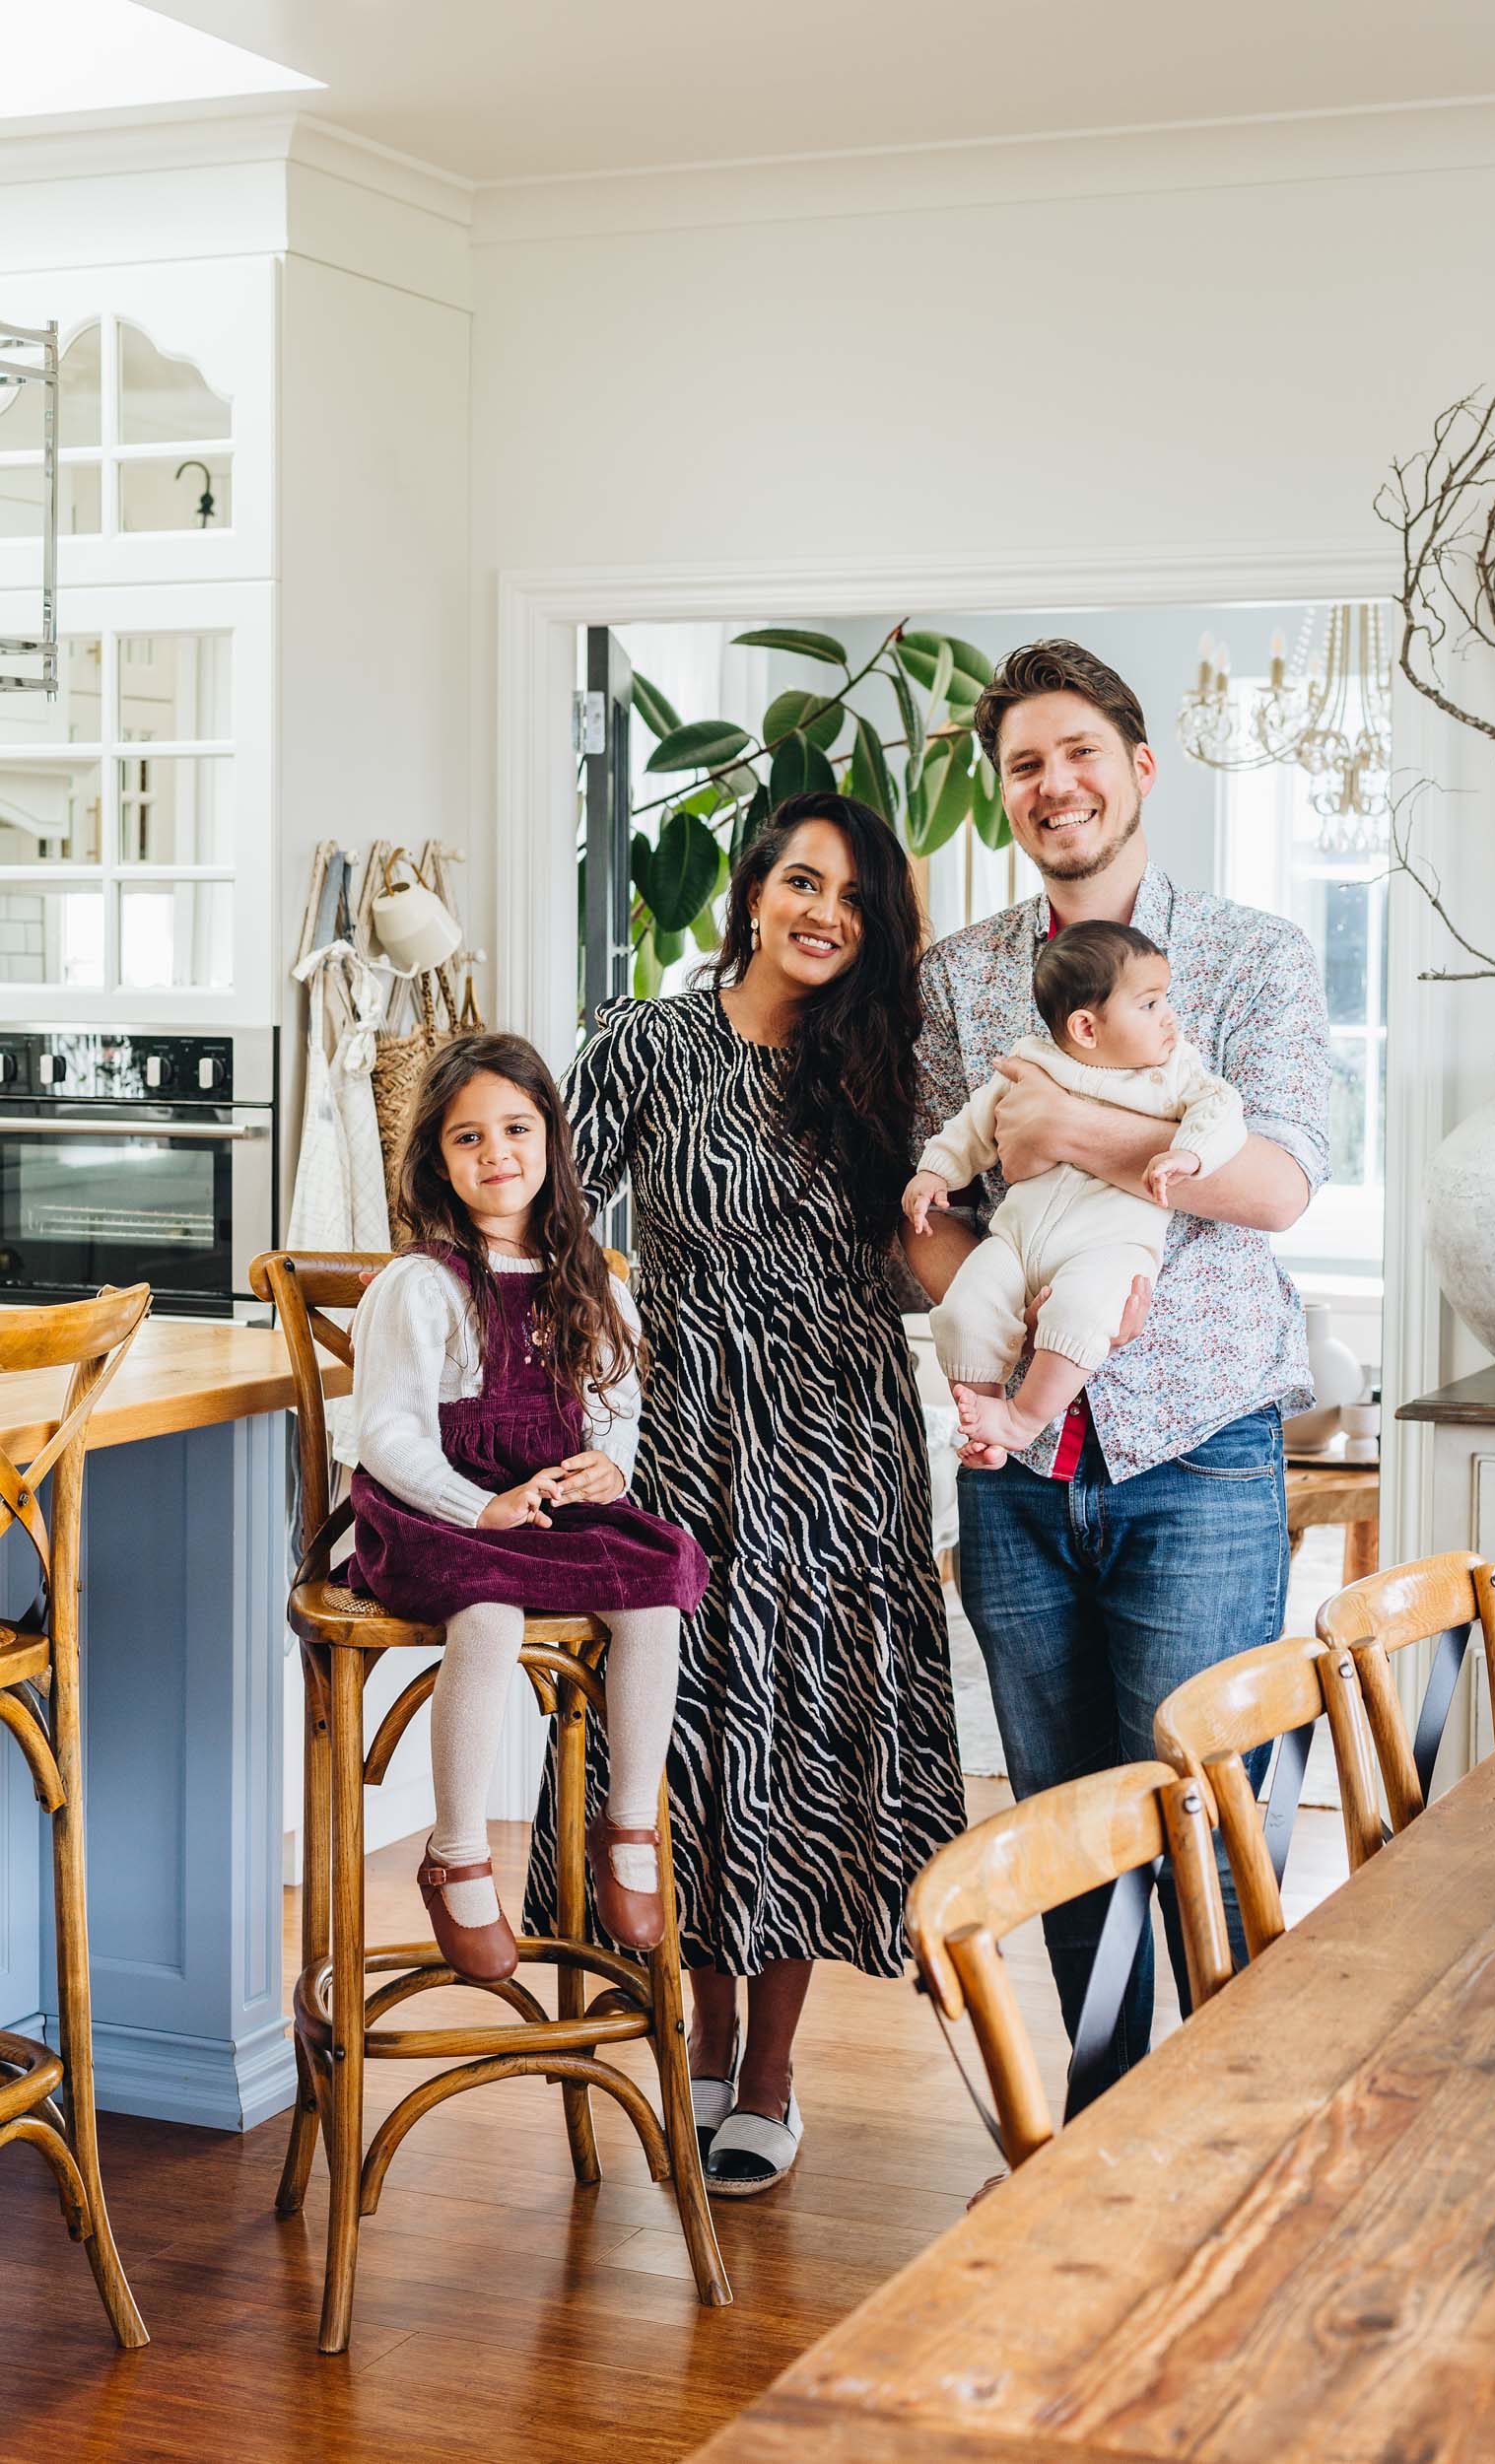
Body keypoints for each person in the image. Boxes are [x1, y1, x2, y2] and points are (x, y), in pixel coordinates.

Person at [524, 790, 966, 2197]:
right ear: (753, 891)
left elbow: (935, 1262)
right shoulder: (646, 1041)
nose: (821, 911)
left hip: (842, 1440)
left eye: (850, 893)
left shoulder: (890, 1063)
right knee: (694, 1736)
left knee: (804, 1734)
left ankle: (765, 2068)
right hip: (687, 1432)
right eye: (798, 880)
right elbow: (542, 1219)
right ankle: (698, 2033)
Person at [906, 639, 1329, 2095]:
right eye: (1023, 764)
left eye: (1076, 752)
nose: (1052, 785)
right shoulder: (957, 977)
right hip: (1021, 1477)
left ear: (1139, 767)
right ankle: (1101, 2126)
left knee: (1209, 1809)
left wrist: (1072, 1139)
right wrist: (1001, 1311)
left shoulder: (1252, 956)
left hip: (1196, 1451)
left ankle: (1222, 2126)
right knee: (1066, 1818)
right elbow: (928, 1213)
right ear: (1003, 795)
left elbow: (1273, 1187)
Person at [349, 1032, 710, 1985]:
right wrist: (478, 1508)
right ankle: (457, 1851)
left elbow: (612, 1410)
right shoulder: (419, 1284)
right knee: (491, 1610)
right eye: (467, 1139)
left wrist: (605, 1469)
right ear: (437, 1161)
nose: (496, 1153)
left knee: (655, 1583)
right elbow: (385, 1437)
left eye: (515, 1128)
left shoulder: (590, 1277)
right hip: (443, 1512)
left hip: (548, 1503)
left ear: (552, 1141)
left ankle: (629, 1817)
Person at [905, 920, 1246, 1455]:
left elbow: (1223, 1110)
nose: (1170, 1017)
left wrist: (1190, 1153)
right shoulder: (1035, 1061)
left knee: (1082, 1313)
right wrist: (936, 1171)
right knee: (968, 1304)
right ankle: (982, 1420)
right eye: (1150, 1004)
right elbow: (974, 1124)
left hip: (1109, 1248)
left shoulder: (1175, 1074)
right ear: (1086, 1028)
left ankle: (1021, 1420)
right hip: (1015, 1241)